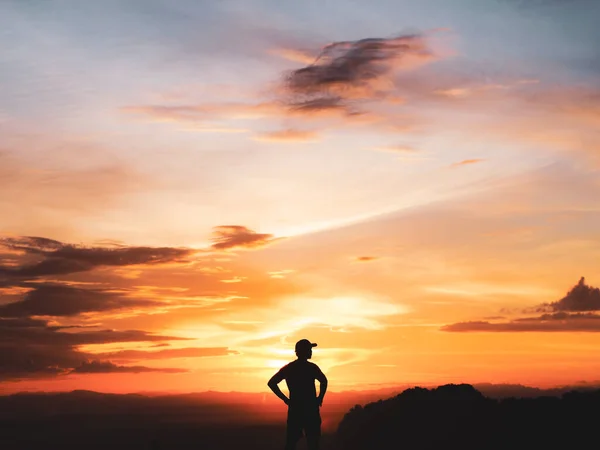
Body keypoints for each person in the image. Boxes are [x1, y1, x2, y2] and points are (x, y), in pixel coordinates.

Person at [268, 339, 328, 450]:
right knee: (313, 443)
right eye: (309, 349)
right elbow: (324, 381)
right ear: (303, 351)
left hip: (295, 410)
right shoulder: (312, 368)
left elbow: (272, 383)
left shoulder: (289, 368)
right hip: (311, 410)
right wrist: (320, 398)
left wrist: (286, 400)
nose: (311, 352)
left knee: (291, 443)